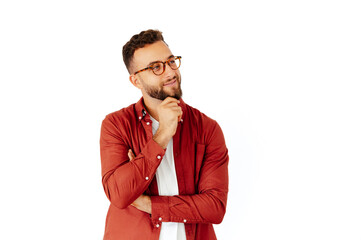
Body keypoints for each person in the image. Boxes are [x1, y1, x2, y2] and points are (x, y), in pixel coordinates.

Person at [99, 29, 229, 240]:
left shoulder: (207, 128)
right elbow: (120, 195)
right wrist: (162, 135)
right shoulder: (116, 125)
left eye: (171, 62)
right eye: (156, 67)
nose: (170, 73)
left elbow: (215, 208)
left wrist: (149, 204)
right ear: (136, 81)